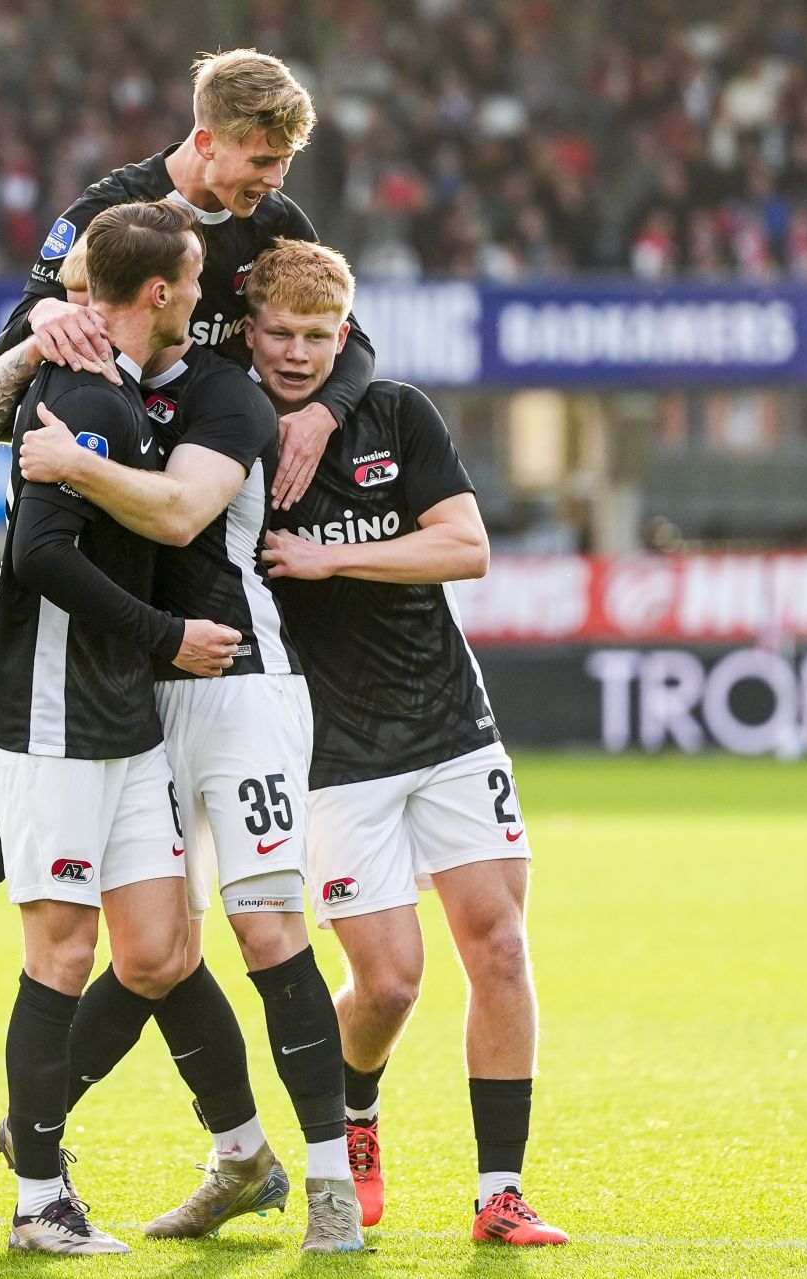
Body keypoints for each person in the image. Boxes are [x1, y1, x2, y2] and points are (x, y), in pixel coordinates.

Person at [0, 44, 373, 1028]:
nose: (273, 182)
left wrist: (324, 410)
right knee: (76, 750)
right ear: (206, 140)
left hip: (194, 508)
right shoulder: (107, 211)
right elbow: (13, 344)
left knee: (119, 767)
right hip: (106, 499)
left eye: (284, 163)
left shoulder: (272, 223)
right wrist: (48, 320)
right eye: (260, 159)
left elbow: (346, 331)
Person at [7, 326, 361, 1250]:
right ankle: (237, 1156)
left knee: (270, 931)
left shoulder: (225, 395)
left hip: (242, 687)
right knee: (154, 949)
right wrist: (38, 343)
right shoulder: (91, 384)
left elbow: (176, 515)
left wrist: (73, 466)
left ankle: (331, 1183)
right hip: (138, 690)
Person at [248, 238, 568, 1247]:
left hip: (449, 721)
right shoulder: (233, 436)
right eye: (280, 334)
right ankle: (356, 1111)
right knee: (388, 981)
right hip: (333, 748)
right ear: (248, 334)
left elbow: (465, 546)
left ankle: (499, 1191)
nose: (298, 353)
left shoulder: (398, 413)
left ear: (344, 336)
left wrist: (330, 559)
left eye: (317, 335)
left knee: (502, 947)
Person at [0, 199, 241, 1254]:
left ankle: (238, 1148)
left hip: (116, 709)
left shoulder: (114, 391)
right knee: (62, 949)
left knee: (161, 946)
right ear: (161, 291)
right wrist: (164, 632)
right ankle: (39, 1195)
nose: (207, 292)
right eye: (198, 274)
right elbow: (35, 554)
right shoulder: (83, 392)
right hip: (50, 707)